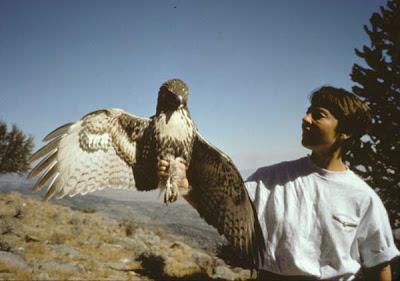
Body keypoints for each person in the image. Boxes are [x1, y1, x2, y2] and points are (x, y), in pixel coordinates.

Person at [158, 86, 399, 280]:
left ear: (345, 132)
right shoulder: (269, 179)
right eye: (308, 111)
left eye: (319, 115)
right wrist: (183, 184)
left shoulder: (363, 198)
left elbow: (379, 265)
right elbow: (220, 208)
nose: (305, 118)